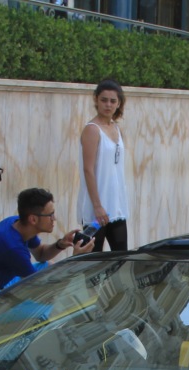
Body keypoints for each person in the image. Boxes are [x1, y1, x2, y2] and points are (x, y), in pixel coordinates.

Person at [0, 187, 93, 309]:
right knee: (49, 306)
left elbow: (41, 254)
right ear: (33, 219)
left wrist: (60, 244)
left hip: (2, 284)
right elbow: (41, 292)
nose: (54, 219)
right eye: (50, 215)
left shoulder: (18, 224)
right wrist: (76, 259)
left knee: (49, 267)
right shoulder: (12, 247)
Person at [78, 79, 130, 252]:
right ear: (96, 100)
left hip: (116, 207)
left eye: (113, 101)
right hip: (96, 209)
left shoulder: (116, 128)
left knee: (121, 258)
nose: (108, 105)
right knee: (93, 262)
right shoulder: (92, 129)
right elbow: (88, 169)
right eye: (104, 100)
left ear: (119, 103)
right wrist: (97, 206)